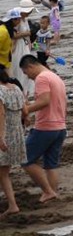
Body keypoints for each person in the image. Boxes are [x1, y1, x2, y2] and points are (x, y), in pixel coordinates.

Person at [19, 53, 67, 203]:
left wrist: (26, 109)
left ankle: (48, 191)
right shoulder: (54, 76)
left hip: (46, 127)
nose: (27, 77)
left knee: (25, 159)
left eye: (26, 73)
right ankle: (51, 194)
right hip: (60, 126)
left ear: (31, 66)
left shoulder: (42, 78)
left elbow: (44, 101)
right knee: (50, 165)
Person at [0, 65, 26, 218]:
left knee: (3, 174)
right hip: (17, 133)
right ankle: (12, 204)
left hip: (5, 135)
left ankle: (12, 205)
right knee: (4, 173)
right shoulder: (16, 88)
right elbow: (25, 110)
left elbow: (1, 114)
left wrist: (1, 137)